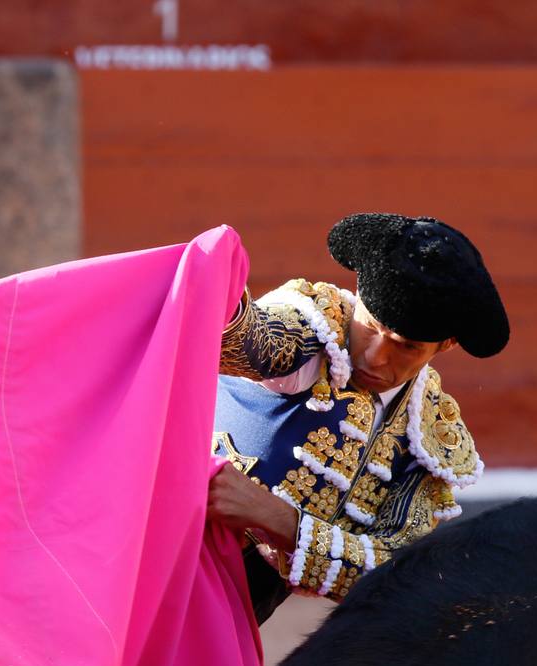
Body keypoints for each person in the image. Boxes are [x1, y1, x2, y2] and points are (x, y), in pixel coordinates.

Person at [207, 212, 508, 622]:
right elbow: (250, 343)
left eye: (405, 347)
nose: (373, 356)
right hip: (152, 546)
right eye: (370, 326)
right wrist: (215, 283)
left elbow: (397, 576)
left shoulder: (428, 436)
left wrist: (278, 519)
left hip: (232, 614)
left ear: (447, 345)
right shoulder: (313, 331)